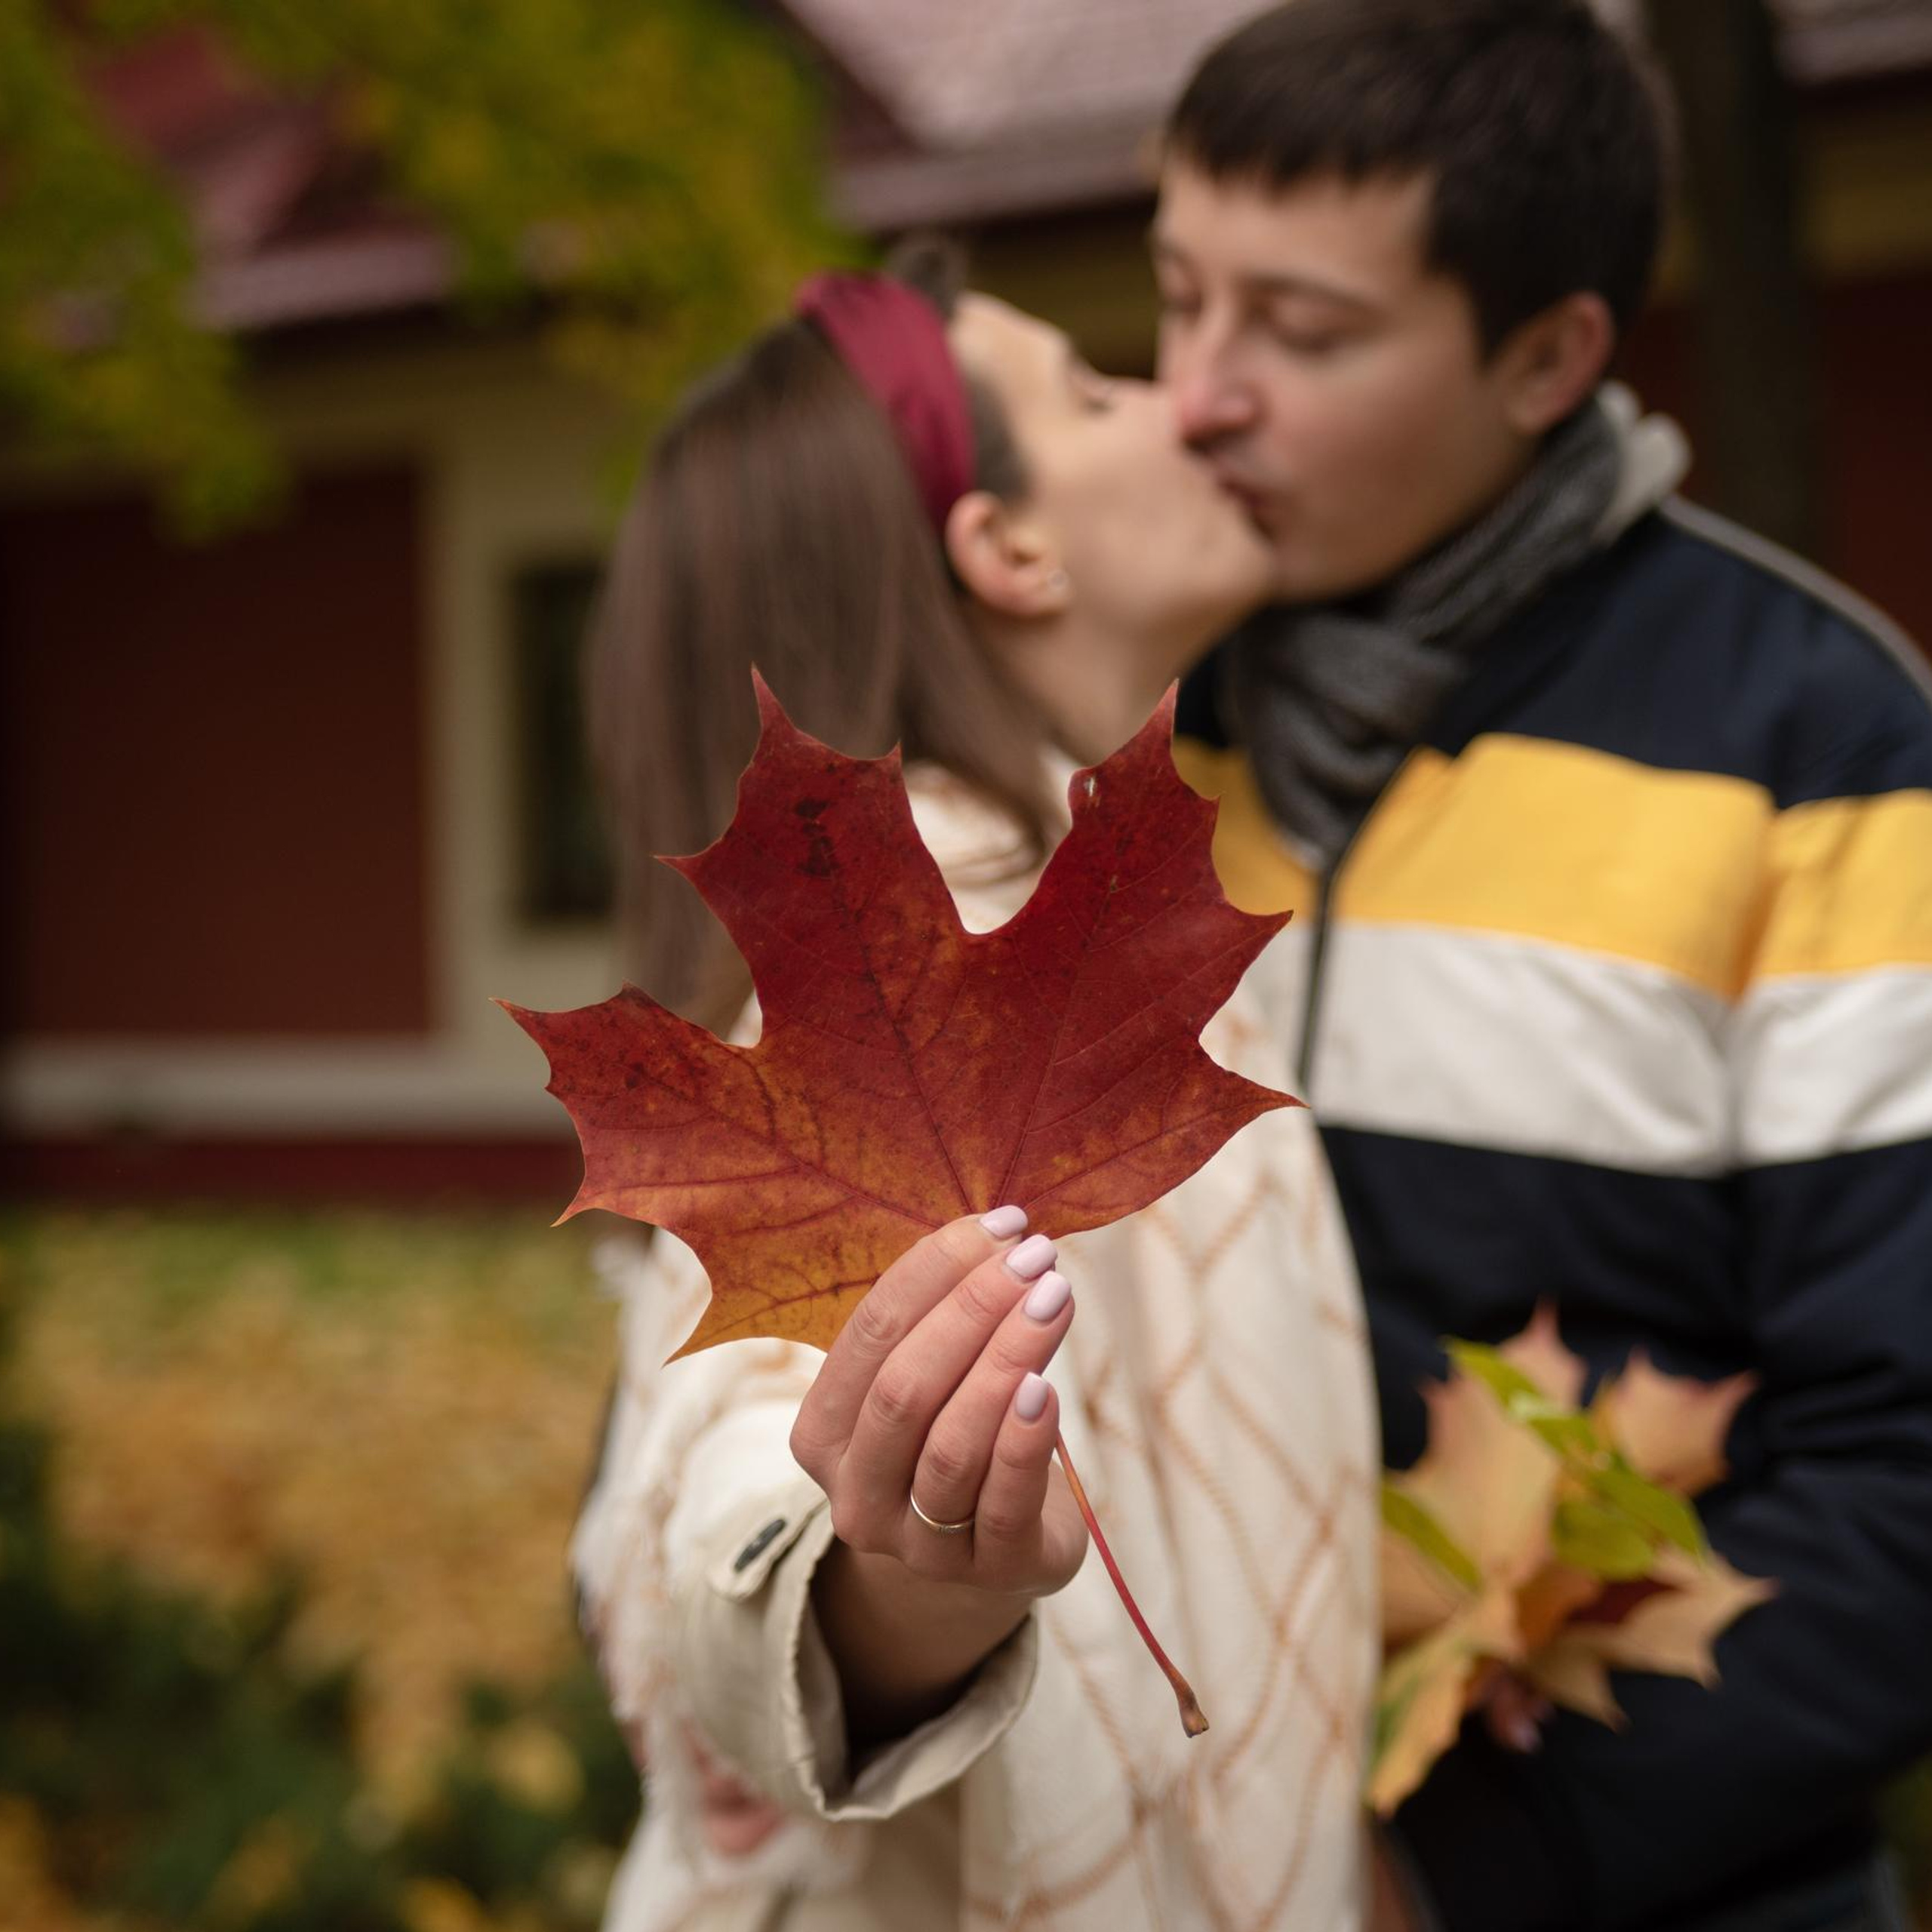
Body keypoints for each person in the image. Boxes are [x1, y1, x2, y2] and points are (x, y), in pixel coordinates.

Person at [1151, 3, 1932, 1928]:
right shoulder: (1108, 713)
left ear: (1547, 355)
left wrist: (1444, 1864)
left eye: (1301, 332)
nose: (1196, 393)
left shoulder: (1816, 749)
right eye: (1175, 299)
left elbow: (1905, 1464)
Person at [570, 244, 1380, 1931]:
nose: (1183, 403)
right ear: (1002, 546)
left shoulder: (1085, 908)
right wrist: (880, 1588)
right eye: (1093, 391)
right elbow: (739, 1472)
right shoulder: (931, 932)